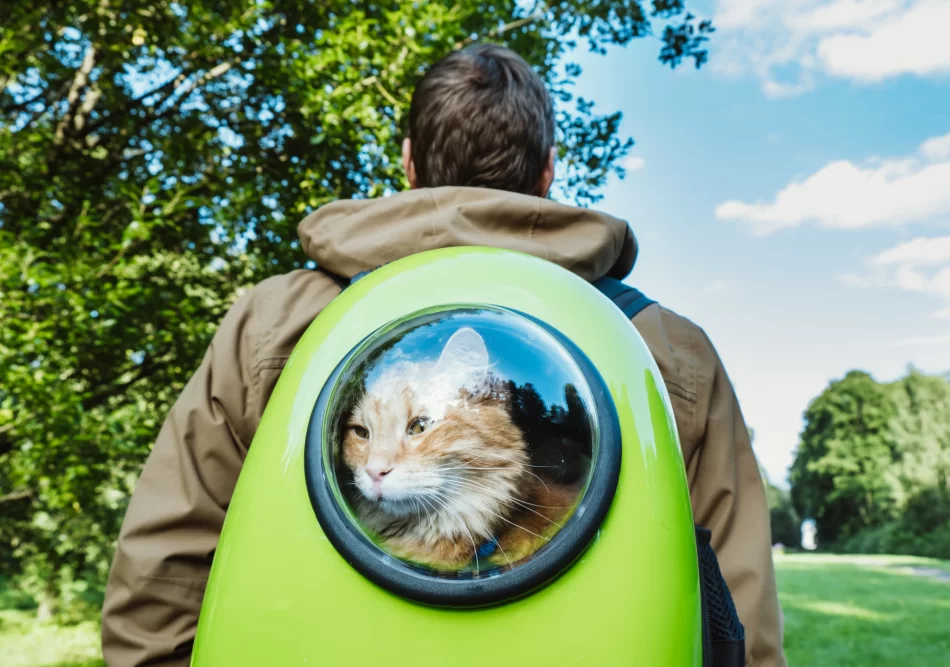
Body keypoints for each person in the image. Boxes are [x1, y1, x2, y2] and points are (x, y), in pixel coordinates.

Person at [101, 43, 786, 667]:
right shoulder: (665, 347)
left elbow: (162, 568)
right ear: (548, 174)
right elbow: (739, 606)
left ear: (408, 164)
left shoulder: (277, 319)